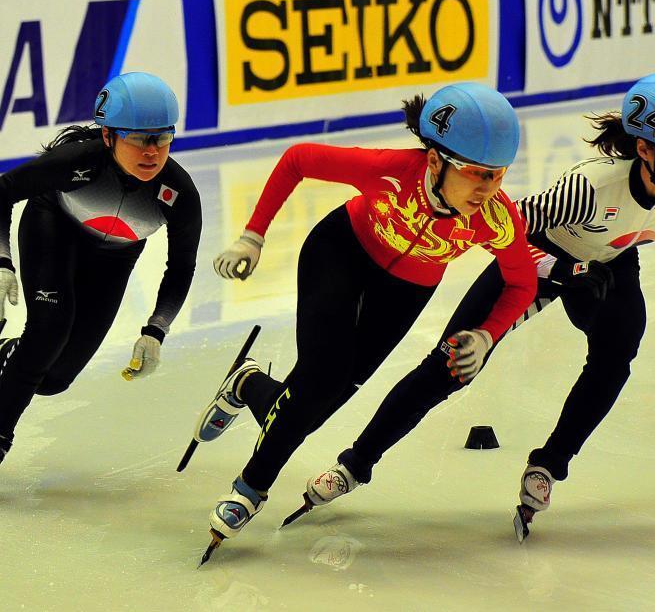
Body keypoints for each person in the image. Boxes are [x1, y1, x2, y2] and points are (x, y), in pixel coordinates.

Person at [289, 71, 655, 539]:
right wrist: (559, 270)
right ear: (645, 149)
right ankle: (356, 464)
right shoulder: (590, 189)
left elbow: (629, 233)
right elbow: (503, 227)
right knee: (449, 366)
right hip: (536, 259)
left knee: (618, 351)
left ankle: (549, 464)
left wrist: (590, 272)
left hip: (606, 266)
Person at [197, 82, 536, 551]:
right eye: (478, 173)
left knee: (319, 405)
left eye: (498, 175)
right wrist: (253, 236)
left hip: (407, 288)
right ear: (436, 161)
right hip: (341, 252)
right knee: (320, 382)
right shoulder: (393, 171)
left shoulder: (496, 218)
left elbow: (523, 282)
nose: (489, 188)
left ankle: (248, 384)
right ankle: (249, 489)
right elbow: (298, 158)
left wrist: (487, 334)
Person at [0, 72, 202, 466]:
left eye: (163, 137)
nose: (152, 152)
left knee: (55, 380)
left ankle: (8, 355)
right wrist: (2, 260)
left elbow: (182, 267)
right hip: (53, 228)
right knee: (50, 328)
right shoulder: (76, 162)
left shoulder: (179, 194)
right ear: (108, 136)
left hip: (115, 256)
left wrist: (155, 330)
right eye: (141, 139)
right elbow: (3, 192)